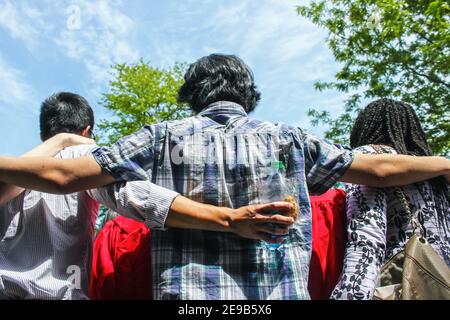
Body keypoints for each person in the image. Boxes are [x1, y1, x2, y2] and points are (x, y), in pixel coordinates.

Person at [0, 56, 449, 299]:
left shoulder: (159, 138)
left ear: (191, 96)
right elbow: (380, 168)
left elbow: (59, 176)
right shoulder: (288, 139)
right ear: (247, 95)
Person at [0, 92, 294, 300]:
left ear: (42, 134)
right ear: (87, 130)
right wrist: (229, 219)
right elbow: (140, 197)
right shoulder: (81, 157)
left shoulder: (15, 168)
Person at [331, 98, 450, 300]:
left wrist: (350, 295)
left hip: (403, 285)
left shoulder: (369, 159)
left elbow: (367, 238)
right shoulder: (438, 174)